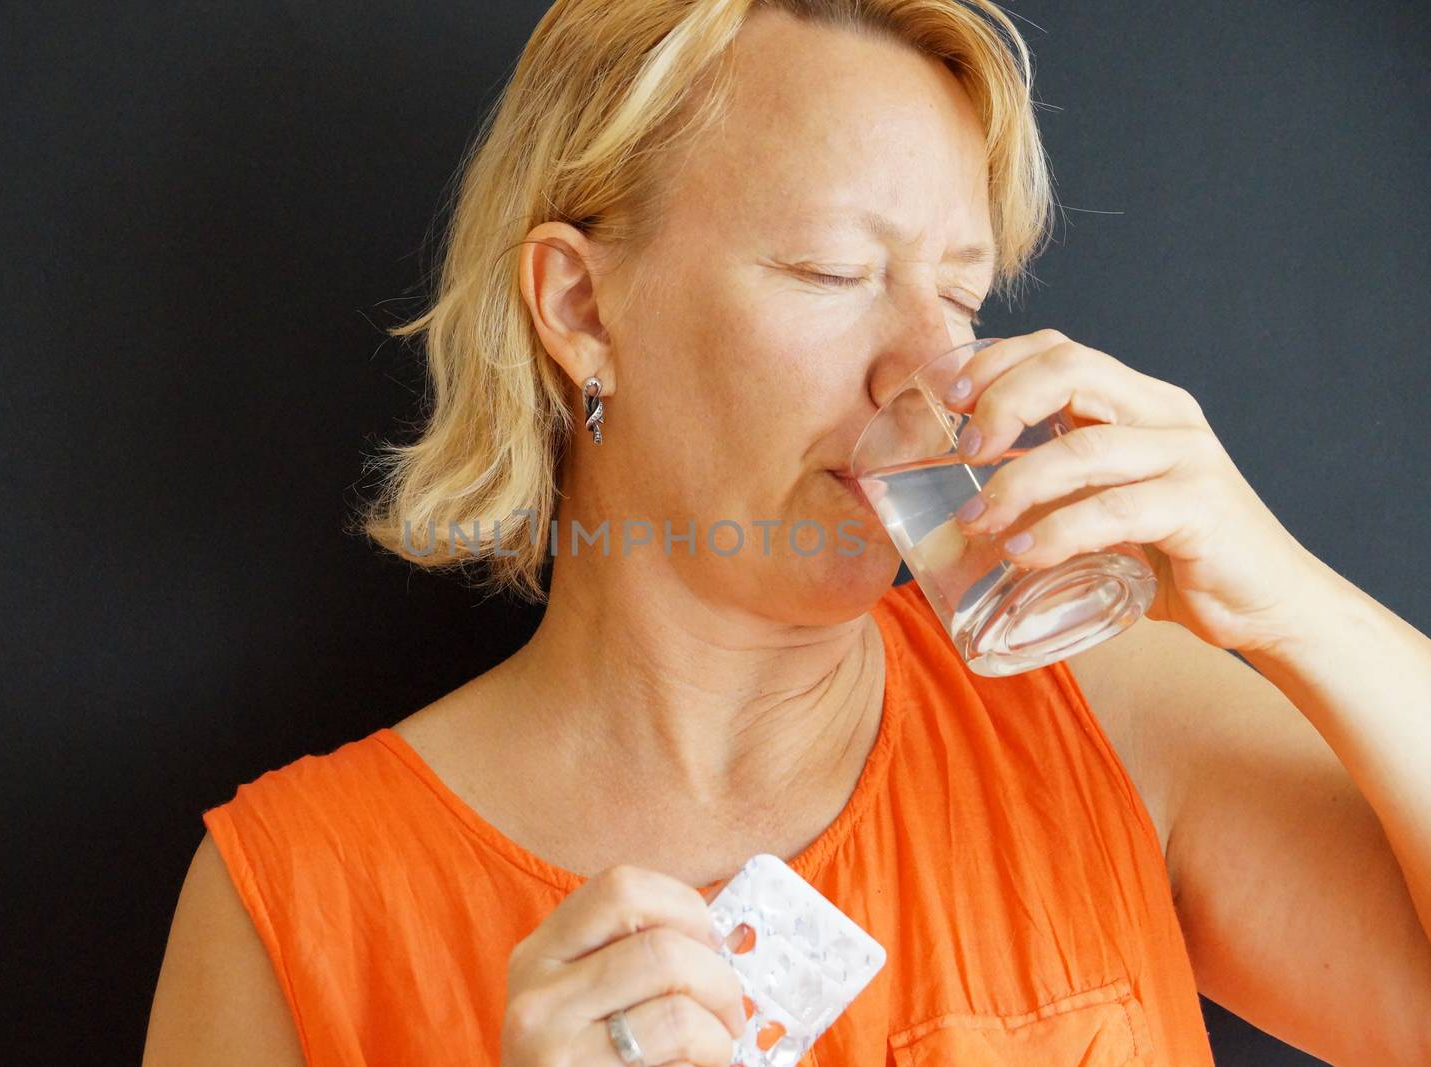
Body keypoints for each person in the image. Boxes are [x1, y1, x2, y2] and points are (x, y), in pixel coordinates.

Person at [142, 2, 1431, 1064]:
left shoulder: (1103, 711)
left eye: (958, 295)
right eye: (830, 272)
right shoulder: (292, 904)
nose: (925, 375)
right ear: (584, 307)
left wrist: (1293, 605)